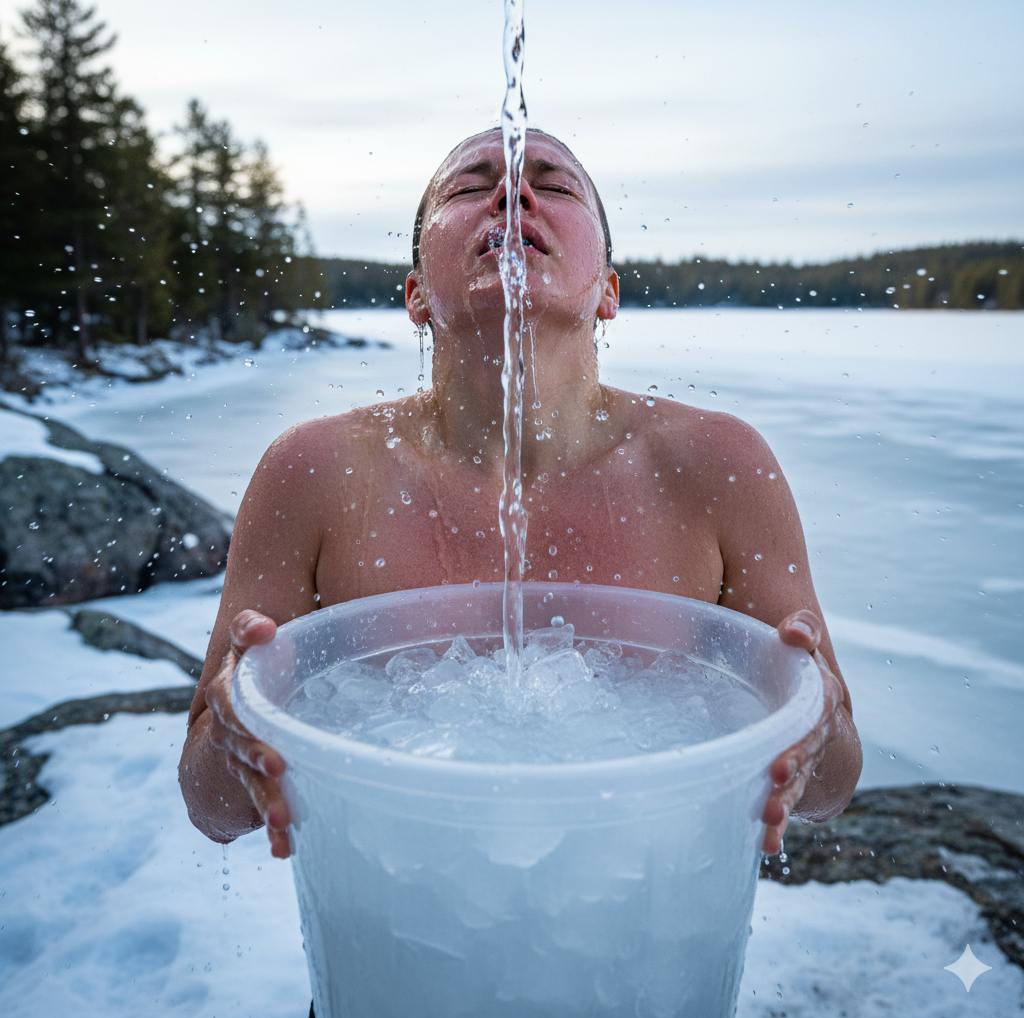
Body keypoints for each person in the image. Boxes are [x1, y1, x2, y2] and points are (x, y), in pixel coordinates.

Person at [178, 126, 862, 873]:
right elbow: (213, 806)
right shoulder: (317, 472)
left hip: (657, 955)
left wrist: (814, 725)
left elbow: (831, 785)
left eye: (555, 184)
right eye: (471, 187)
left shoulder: (712, 466)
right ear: (414, 295)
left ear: (608, 291)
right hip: (385, 950)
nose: (512, 195)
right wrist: (231, 734)